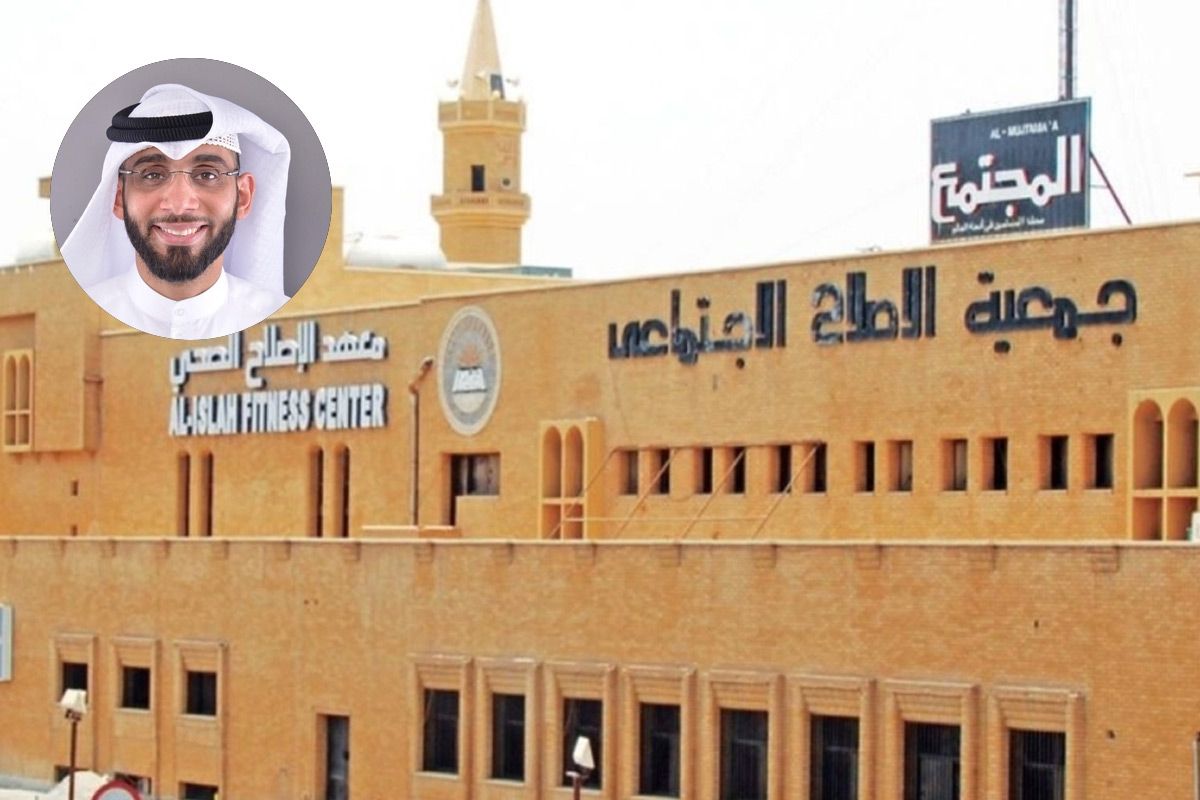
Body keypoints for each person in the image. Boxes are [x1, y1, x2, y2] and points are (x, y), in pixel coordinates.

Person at [61, 83, 291, 340]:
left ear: (243, 198)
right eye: (152, 175)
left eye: (207, 174)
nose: (180, 204)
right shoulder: (73, 324)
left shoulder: (286, 327)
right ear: (118, 198)